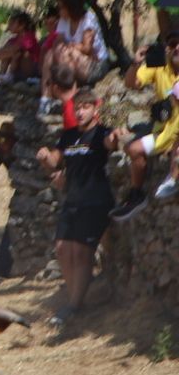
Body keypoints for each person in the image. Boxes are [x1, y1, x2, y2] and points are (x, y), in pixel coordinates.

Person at [35, 92, 121, 329]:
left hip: (95, 201)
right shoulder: (69, 136)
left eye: (85, 107)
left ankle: (73, 305)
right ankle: (75, 299)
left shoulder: (102, 133)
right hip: (72, 200)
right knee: (62, 249)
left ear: (96, 108)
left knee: (82, 252)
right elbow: (55, 161)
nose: (80, 112)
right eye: (77, 108)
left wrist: (115, 138)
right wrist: (45, 158)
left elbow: (111, 144)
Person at [111, 30, 179, 221]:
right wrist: (136, 63)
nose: (177, 48)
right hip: (164, 129)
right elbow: (132, 83)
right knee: (133, 149)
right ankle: (136, 195)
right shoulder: (159, 66)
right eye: (173, 44)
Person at [41, 0, 110, 114]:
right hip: (73, 60)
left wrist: (70, 46)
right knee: (50, 54)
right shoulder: (64, 20)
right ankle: (45, 99)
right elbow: (58, 42)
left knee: (68, 52)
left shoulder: (88, 19)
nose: (58, 9)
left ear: (70, 7)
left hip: (95, 65)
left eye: (60, 7)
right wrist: (69, 46)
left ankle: (69, 97)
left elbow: (87, 49)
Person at [0, 10, 41, 87]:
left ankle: (10, 75)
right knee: (10, 51)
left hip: (30, 71)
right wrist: (5, 52)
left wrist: (5, 52)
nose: (9, 25)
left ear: (22, 25)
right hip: (18, 72)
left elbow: (15, 50)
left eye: (12, 23)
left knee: (18, 52)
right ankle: (2, 74)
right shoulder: (12, 40)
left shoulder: (29, 37)